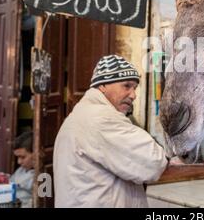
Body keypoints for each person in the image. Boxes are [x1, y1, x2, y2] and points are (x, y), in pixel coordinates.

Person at [53, 55, 169, 207]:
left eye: (135, 88)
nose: (133, 95)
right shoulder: (102, 119)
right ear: (102, 86)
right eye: (126, 86)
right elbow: (153, 162)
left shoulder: (82, 114)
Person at [10, 131, 35, 208]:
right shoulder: (20, 171)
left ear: (36, 153)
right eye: (17, 157)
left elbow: (42, 203)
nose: (19, 162)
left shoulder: (44, 176)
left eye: (23, 157)